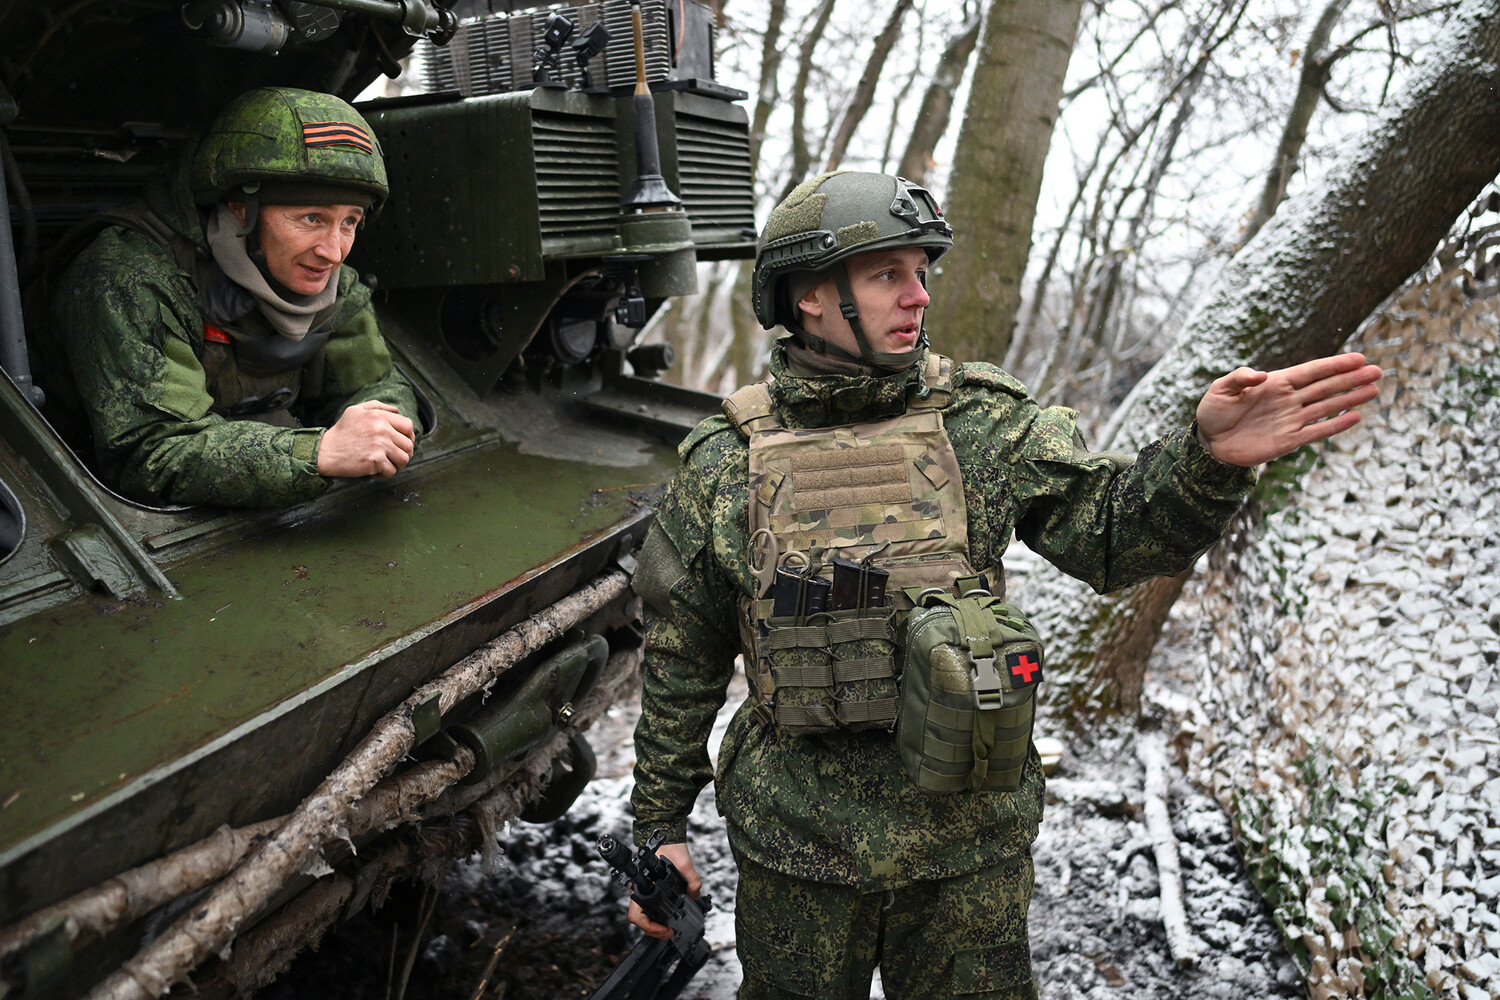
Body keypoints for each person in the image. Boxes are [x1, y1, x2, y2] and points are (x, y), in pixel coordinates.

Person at [623, 171, 1382, 999]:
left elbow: (1110, 535)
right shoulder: (726, 460)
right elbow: (681, 653)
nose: (918, 297)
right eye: (888, 276)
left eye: (922, 273)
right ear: (808, 296)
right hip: (799, 847)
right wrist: (661, 823)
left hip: (966, 847)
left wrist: (1202, 462)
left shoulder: (981, 423)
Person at [50, 86, 419, 507]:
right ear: (240, 208)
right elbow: (148, 453)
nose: (332, 251)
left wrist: (383, 431)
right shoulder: (130, 278)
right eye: (311, 218)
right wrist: (316, 454)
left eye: (349, 222)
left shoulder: (330, 280)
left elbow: (380, 387)